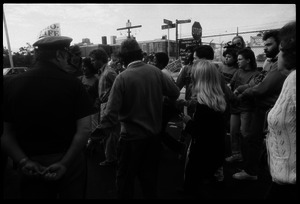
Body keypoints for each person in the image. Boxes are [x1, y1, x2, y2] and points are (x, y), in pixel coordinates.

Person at [1, 36, 94, 199]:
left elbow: (5, 133)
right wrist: (64, 164)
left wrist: (23, 161)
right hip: (69, 159)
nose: (68, 58)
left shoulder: (12, 84)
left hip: (29, 161)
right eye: (66, 53)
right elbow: (85, 128)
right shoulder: (73, 84)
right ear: (59, 54)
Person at [98, 38, 180, 199]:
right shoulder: (155, 71)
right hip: (153, 139)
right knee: (149, 181)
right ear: (140, 55)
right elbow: (175, 92)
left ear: (122, 58)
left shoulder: (123, 78)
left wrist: (96, 135)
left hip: (130, 139)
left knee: (125, 181)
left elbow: (110, 113)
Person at [232, 29, 285, 180]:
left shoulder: (279, 64)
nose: (265, 48)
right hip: (261, 107)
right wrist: (243, 88)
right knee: (253, 139)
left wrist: (242, 94)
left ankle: (253, 172)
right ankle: (253, 169)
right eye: (264, 44)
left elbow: (263, 88)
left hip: (269, 108)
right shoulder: (270, 62)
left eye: (269, 44)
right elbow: (257, 81)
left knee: (254, 139)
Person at [181, 59, 227, 197]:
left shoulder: (203, 105)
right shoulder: (217, 100)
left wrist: (188, 122)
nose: (191, 78)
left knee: (193, 187)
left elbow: (199, 133)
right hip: (214, 154)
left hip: (200, 156)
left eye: (193, 75)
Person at [265, 21, 296, 199]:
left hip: (289, 184)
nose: (278, 56)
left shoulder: (294, 79)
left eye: (281, 50)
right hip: (283, 179)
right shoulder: (290, 78)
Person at [226, 48, 260, 164]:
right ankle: (236, 154)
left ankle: (247, 158)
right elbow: (231, 84)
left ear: (248, 60)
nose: (238, 61)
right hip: (235, 106)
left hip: (247, 108)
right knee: (233, 131)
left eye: (240, 59)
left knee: (245, 133)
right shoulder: (238, 72)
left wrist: (237, 93)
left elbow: (251, 90)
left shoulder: (256, 74)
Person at [153, 52, 186, 157]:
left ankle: (179, 147)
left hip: (166, 106)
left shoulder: (162, 73)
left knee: (159, 130)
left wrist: (166, 101)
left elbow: (175, 91)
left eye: (154, 60)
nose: (152, 62)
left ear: (161, 63)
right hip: (166, 105)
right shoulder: (161, 72)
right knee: (158, 130)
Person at [97, 50, 120, 167]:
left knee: (110, 134)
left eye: (93, 60)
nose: (92, 62)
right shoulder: (103, 72)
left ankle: (111, 159)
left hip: (108, 106)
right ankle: (111, 157)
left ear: (100, 60)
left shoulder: (109, 72)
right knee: (108, 133)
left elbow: (119, 85)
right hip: (104, 105)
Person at [78, 57, 100, 130]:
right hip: (83, 111)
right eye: (82, 66)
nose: (83, 68)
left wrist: (95, 107)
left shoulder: (97, 79)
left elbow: (98, 96)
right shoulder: (80, 79)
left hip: (93, 112)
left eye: (85, 66)